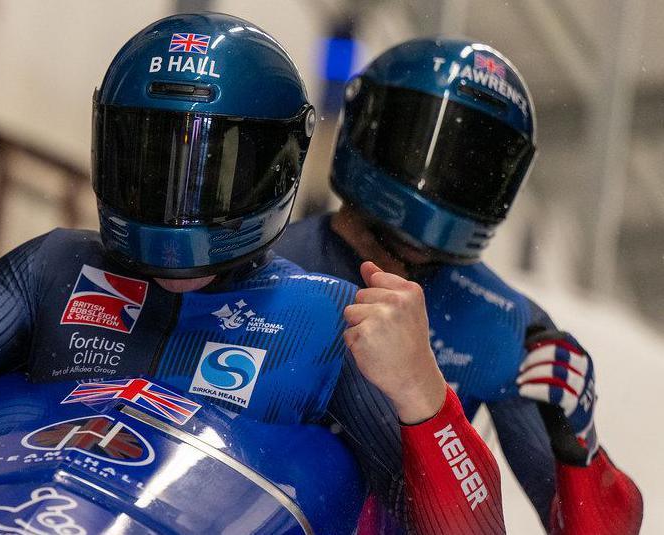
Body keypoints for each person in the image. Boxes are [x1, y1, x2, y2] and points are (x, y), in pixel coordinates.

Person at [0, 15, 504, 534]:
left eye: (212, 169)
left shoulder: (329, 323)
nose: (179, 195)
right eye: (152, 157)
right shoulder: (54, 268)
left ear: (277, 166)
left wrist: (423, 395)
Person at [275, 38, 643, 534]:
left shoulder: (506, 324)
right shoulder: (266, 267)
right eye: (423, 147)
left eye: (470, 169)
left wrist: (580, 453)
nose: (442, 183)